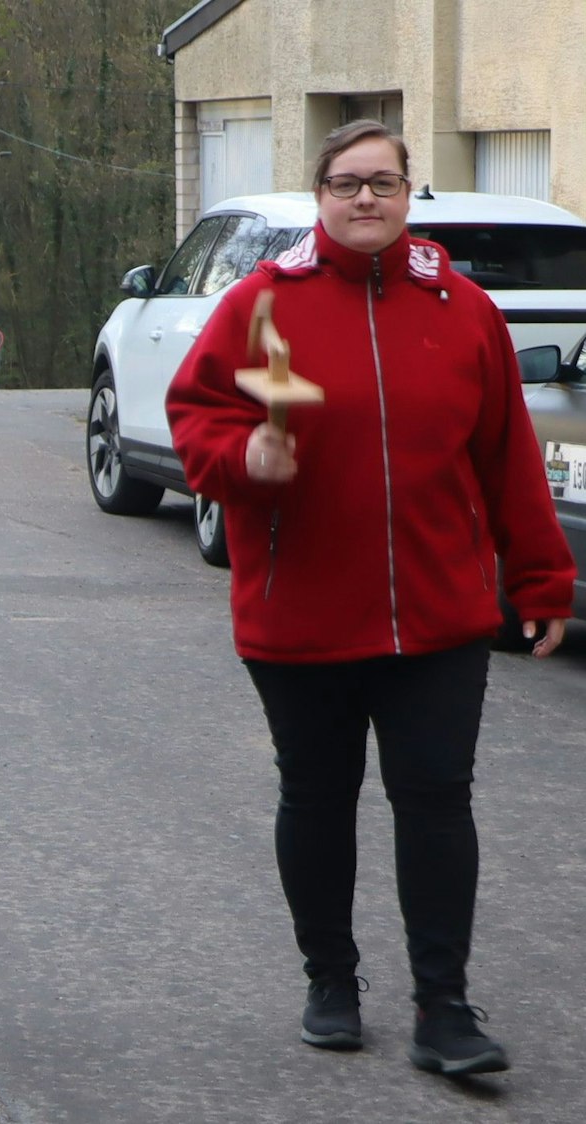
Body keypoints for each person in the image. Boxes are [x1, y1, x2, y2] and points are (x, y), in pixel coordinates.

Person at [166, 120, 573, 1077]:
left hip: (440, 615)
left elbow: (508, 454)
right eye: (347, 184)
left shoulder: (461, 308)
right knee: (316, 797)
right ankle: (330, 981)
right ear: (319, 196)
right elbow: (196, 423)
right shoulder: (261, 304)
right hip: (299, 609)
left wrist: (541, 575)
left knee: (435, 802)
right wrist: (245, 460)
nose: (364, 200)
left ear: (405, 194)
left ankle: (444, 1006)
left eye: (382, 184)